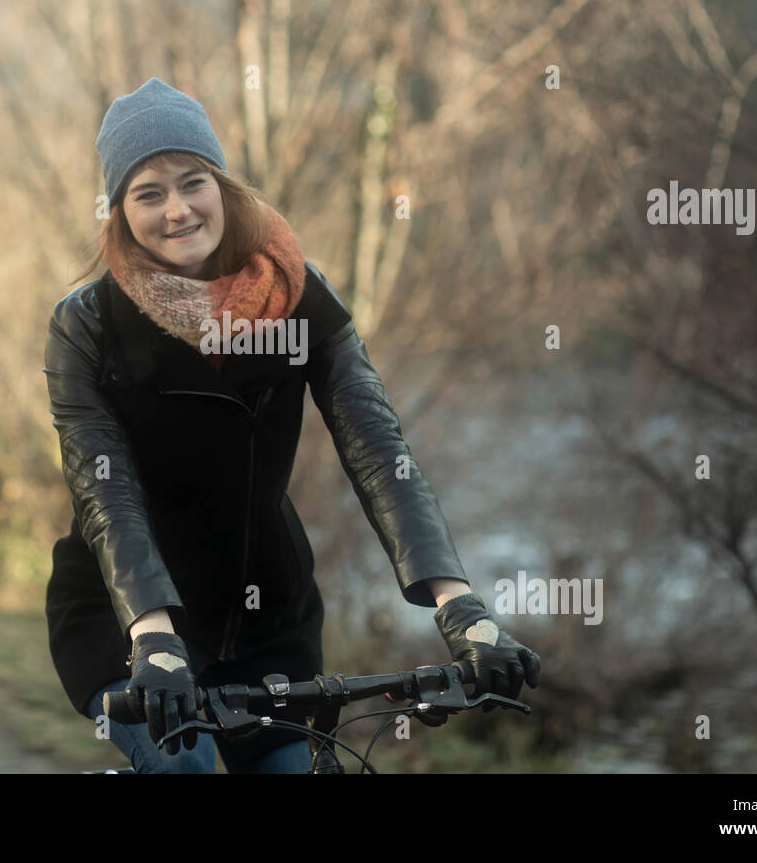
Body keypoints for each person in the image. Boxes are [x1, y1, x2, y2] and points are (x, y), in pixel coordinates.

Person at [44, 77, 541, 773]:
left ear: (222, 185)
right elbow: (107, 491)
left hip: (266, 625)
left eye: (192, 182)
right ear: (120, 212)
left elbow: (378, 454)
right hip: (125, 615)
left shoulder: (300, 297)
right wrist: (152, 635)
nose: (177, 210)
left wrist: (460, 607)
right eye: (147, 193)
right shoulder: (87, 323)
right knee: (181, 764)